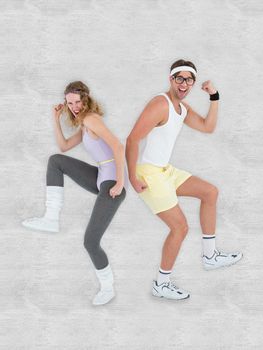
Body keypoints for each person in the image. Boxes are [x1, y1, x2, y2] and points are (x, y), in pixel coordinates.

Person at [126, 59, 242, 300]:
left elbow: (208, 127)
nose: (184, 83)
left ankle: (210, 256)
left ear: (193, 83)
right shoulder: (161, 104)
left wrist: (215, 96)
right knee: (180, 227)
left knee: (210, 192)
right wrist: (131, 177)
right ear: (171, 79)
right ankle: (161, 283)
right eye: (180, 78)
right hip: (149, 174)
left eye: (189, 79)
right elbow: (132, 140)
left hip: (166, 171)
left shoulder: (182, 108)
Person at [22, 81, 127, 305]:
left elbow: (118, 146)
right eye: (69, 103)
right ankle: (51, 218)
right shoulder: (83, 124)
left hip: (111, 183)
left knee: (90, 241)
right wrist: (56, 119)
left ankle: (108, 288)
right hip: (101, 177)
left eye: (77, 102)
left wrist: (120, 182)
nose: (74, 106)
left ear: (86, 99)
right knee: (56, 161)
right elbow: (64, 147)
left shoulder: (91, 119)